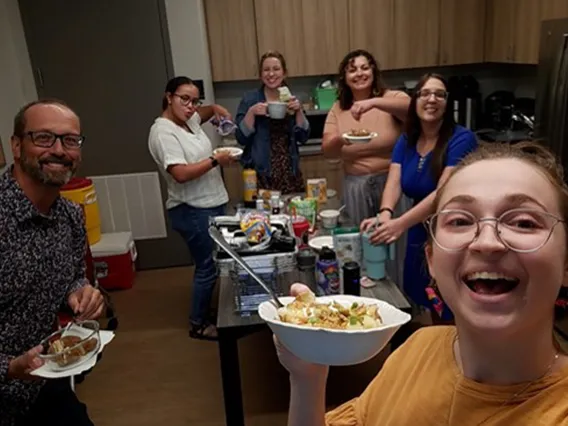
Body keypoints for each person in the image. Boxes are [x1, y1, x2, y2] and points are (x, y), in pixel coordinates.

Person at [276, 141, 568, 425]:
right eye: (460, 221)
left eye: (523, 222)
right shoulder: (416, 351)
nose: (487, 243)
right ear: (431, 259)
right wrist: (307, 377)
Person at [0, 99, 105, 426]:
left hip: (43, 385)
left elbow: (72, 279)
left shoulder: (71, 217)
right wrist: (8, 367)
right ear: (16, 146)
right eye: (44, 138)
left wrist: (83, 294)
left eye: (70, 140)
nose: (59, 150)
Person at [361, 73, 478, 321]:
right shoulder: (407, 139)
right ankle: (433, 347)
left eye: (439, 94)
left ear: (448, 103)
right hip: (419, 230)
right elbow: (394, 181)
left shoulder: (461, 139)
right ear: (415, 101)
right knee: (423, 298)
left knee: (449, 304)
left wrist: (400, 223)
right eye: (425, 93)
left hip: (450, 231)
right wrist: (385, 214)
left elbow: (444, 194)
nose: (431, 99)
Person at [148, 76, 234, 340]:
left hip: (211, 202)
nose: (191, 106)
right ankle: (198, 324)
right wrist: (215, 160)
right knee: (206, 266)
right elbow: (180, 174)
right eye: (184, 99)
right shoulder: (164, 132)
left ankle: (207, 312)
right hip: (193, 209)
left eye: (195, 101)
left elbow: (204, 113)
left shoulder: (187, 121)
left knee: (213, 263)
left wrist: (217, 109)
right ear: (168, 97)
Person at [322, 49, 411, 225]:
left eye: (364, 68)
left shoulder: (392, 97)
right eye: (352, 70)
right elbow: (328, 151)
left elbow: (412, 109)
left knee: (396, 241)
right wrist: (341, 139)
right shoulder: (338, 109)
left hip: (393, 184)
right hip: (356, 188)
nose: (359, 74)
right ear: (345, 77)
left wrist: (373, 102)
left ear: (373, 72)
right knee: (360, 242)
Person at [235, 51, 310, 194]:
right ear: (260, 74)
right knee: (261, 216)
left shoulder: (290, 98)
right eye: (266, 70)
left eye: (276, 69)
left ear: (284, 73)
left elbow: (304, 137)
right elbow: (241, 137)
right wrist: (251, 112)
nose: (271, 74)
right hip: (260, 174)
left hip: (289, 172)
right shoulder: (250, 99)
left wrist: (299, 111)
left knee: (291, 214)